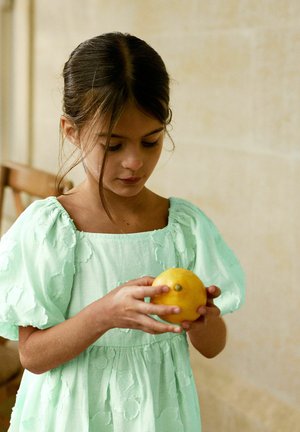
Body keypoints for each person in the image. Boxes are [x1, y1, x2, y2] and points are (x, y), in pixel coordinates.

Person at [0, 32, 245, 432]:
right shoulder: (51, 228)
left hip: (158, 413)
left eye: (150, 142)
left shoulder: (182, 226)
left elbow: (214, 347)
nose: (134, 162)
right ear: (71, 131)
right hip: (71, 414)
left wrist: (203, 321)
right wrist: (105, 313)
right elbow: (32, 355)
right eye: (113, 145)